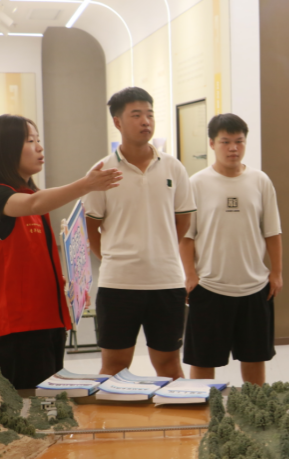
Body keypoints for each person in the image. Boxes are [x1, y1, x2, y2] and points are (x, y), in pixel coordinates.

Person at [0, 114, 122, 389]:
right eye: (30, 141)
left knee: (51, 404)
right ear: (7, 148)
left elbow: (34, 259)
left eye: (38, 140)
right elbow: (34, 204)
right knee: (28, 406)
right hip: (21, 328)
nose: (40, 147)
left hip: (50, 322)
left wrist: (69, 284)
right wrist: (86, 184)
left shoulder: (31, 197)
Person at [83, 87, 196, 379]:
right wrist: (114, 257)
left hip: (167, 281)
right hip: (118, 284)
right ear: (118, 122)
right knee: (114, 367)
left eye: (150, 114)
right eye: (136, 115)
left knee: (169, 365)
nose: (146, 121)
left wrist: (160, 249)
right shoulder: (102, 171)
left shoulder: (173, 167)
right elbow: (90, 227)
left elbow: (183, 221)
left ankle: (177, 413)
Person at [181, 113, 282, 386]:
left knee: (254, 358)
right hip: (210, 286)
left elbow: (272, 232)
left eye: (239, 141)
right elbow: (187, 237)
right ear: (212, 144)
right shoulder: (196, 183)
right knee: (203, 360)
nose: (233, 148)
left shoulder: (260, 181)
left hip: (255, 286)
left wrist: (276, 272)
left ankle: (255, 408)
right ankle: (201, 409)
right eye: (225, 142)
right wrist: (190, 275)